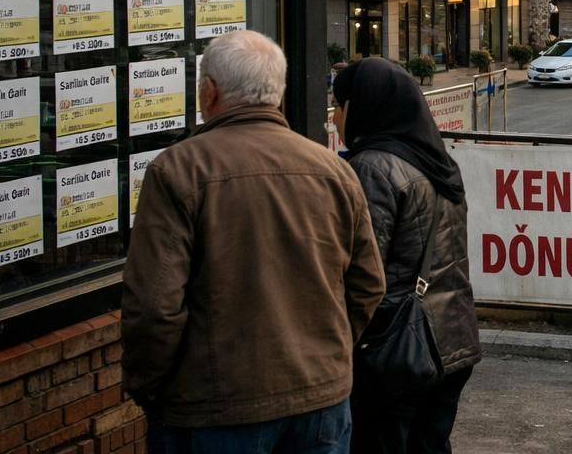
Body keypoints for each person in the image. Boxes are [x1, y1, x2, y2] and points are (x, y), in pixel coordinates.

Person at [123, 31, 387, 454]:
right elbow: (368, 284)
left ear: (208, 92)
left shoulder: (177, 171)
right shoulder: (332, 170)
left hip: (214, 408)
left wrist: (147, 385)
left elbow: (155, 306)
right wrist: (326, 352)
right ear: (277, 94)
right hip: (321, 399)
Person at [338, 58, 481, 454]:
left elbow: (364, 271)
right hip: (451, 342)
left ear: (361, 107)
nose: (333, 118)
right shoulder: (438, 163)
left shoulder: (372, 168)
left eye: (339, 106)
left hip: (398, 348)